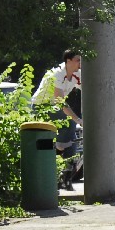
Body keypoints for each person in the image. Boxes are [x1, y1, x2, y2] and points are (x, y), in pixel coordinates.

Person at [32, 49, 83, 190]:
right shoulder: (58, 74)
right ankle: (59, 148)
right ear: (68, 61)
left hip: (53, 107)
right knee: (71, 123)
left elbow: (91, 89)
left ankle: (65, 177)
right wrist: (78, 119)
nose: (81, 63)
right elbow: (60, 101)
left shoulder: (76, 75)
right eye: (78, 60)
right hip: (41, 106)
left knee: (72, 140)